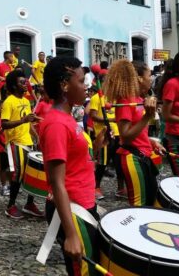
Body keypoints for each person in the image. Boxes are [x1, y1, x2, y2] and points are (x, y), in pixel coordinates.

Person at [40, 56, 108, 276]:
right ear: (65, 85)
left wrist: (97, 146)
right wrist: (70, 234)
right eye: (81, 81)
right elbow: (56, 182)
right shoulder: (57, 123)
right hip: (72, 210)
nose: (86, 85)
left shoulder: (68, 118)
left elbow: (77, 162)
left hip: (83, 204)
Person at [104, 60, 165, 206]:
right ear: (139, 78)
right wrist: (147, 117)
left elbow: (138, 132)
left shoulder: (138, 100)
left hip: (143, 155)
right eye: (149, 75)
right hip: (132, 157)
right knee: (141, 207)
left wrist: (152, 143)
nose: (151, 78)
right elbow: (125, 136)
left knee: (151, 202)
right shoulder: (125, 101)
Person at [2, 70, 43, 219]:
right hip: (15, 143)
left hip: (28, 142)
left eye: (25, 81)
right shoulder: (9, 101)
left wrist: (36, 135)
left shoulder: (26, 101)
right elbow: (4, 124)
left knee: (32, 175)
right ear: (13, 86)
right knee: (17, 174)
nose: (25, 84)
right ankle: (10, 206)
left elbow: (28, 121)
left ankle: (29, 204)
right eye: (21, 82)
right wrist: (23, 120)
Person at [89, 73, 125, 200]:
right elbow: (92, 115)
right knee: (102, 164)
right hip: (103, 136)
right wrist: (108, 121)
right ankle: (95, 188)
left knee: (119, 163)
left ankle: (121, 188)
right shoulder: (96, 98)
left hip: (117, 134)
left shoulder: (115, 98)